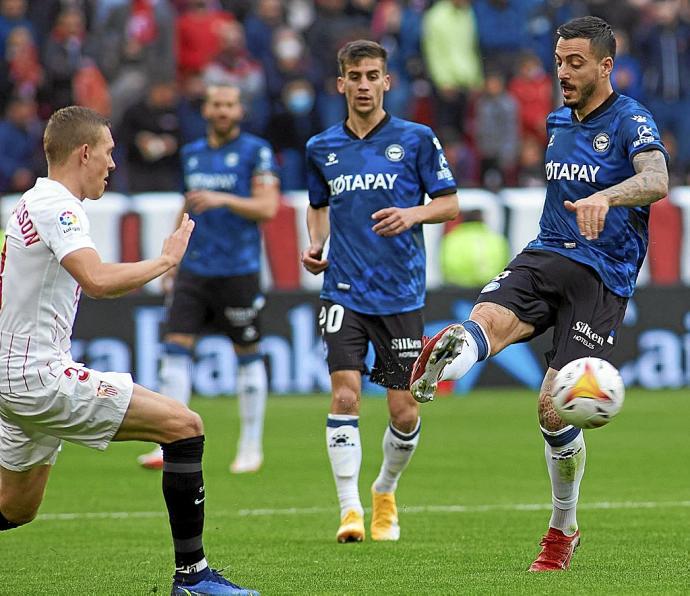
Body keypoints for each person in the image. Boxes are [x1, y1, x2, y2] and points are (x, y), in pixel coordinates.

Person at [409, 16, 669, 571]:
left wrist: (610, 196)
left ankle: (563, 528)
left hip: (602, 277)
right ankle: (456, 351)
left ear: (605, 66)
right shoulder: (556, 120)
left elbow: (657, 180)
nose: (564, 73)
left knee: (553, 413)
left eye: (576, 63)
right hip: (548, 252)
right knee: (484, 319)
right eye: (559, 62)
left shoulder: (631, 120)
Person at [0, 106, 258, 595]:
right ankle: (194, 578)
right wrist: (165, 260)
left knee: (15, 508)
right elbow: (95, 279)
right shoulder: (60, 206)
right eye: (108, 152)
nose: (113, 163)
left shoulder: (32, 200)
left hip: (13, 374)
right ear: (84, 152)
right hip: (37, 377)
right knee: (184, 427)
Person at [301, 40, 459, 543]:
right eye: (356, 76)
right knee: (345, 393)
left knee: (403, 409)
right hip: (343, 289)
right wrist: (315, 242)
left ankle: (384, 491)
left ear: (387, 82)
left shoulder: (416, 140)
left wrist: (413, 213)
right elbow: (318, 204)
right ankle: (348, 511)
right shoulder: (321, 148)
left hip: (401, 294)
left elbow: (450, 203)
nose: (364, 85)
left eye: (373, 76)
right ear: (341, 83)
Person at [137, 83, 279, 474]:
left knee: (247, 354)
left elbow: (267, 207)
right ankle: (169, 443)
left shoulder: (256, 152)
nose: (222, 110)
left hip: (238, 270)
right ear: (206, 110)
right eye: (216, 104)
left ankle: (250, 446)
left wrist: (224, 200)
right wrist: (172, 259)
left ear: (239, 110)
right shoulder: (192, 155)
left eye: (229, 104)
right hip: (195, 269)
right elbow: (188, 205)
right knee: (174, 350)